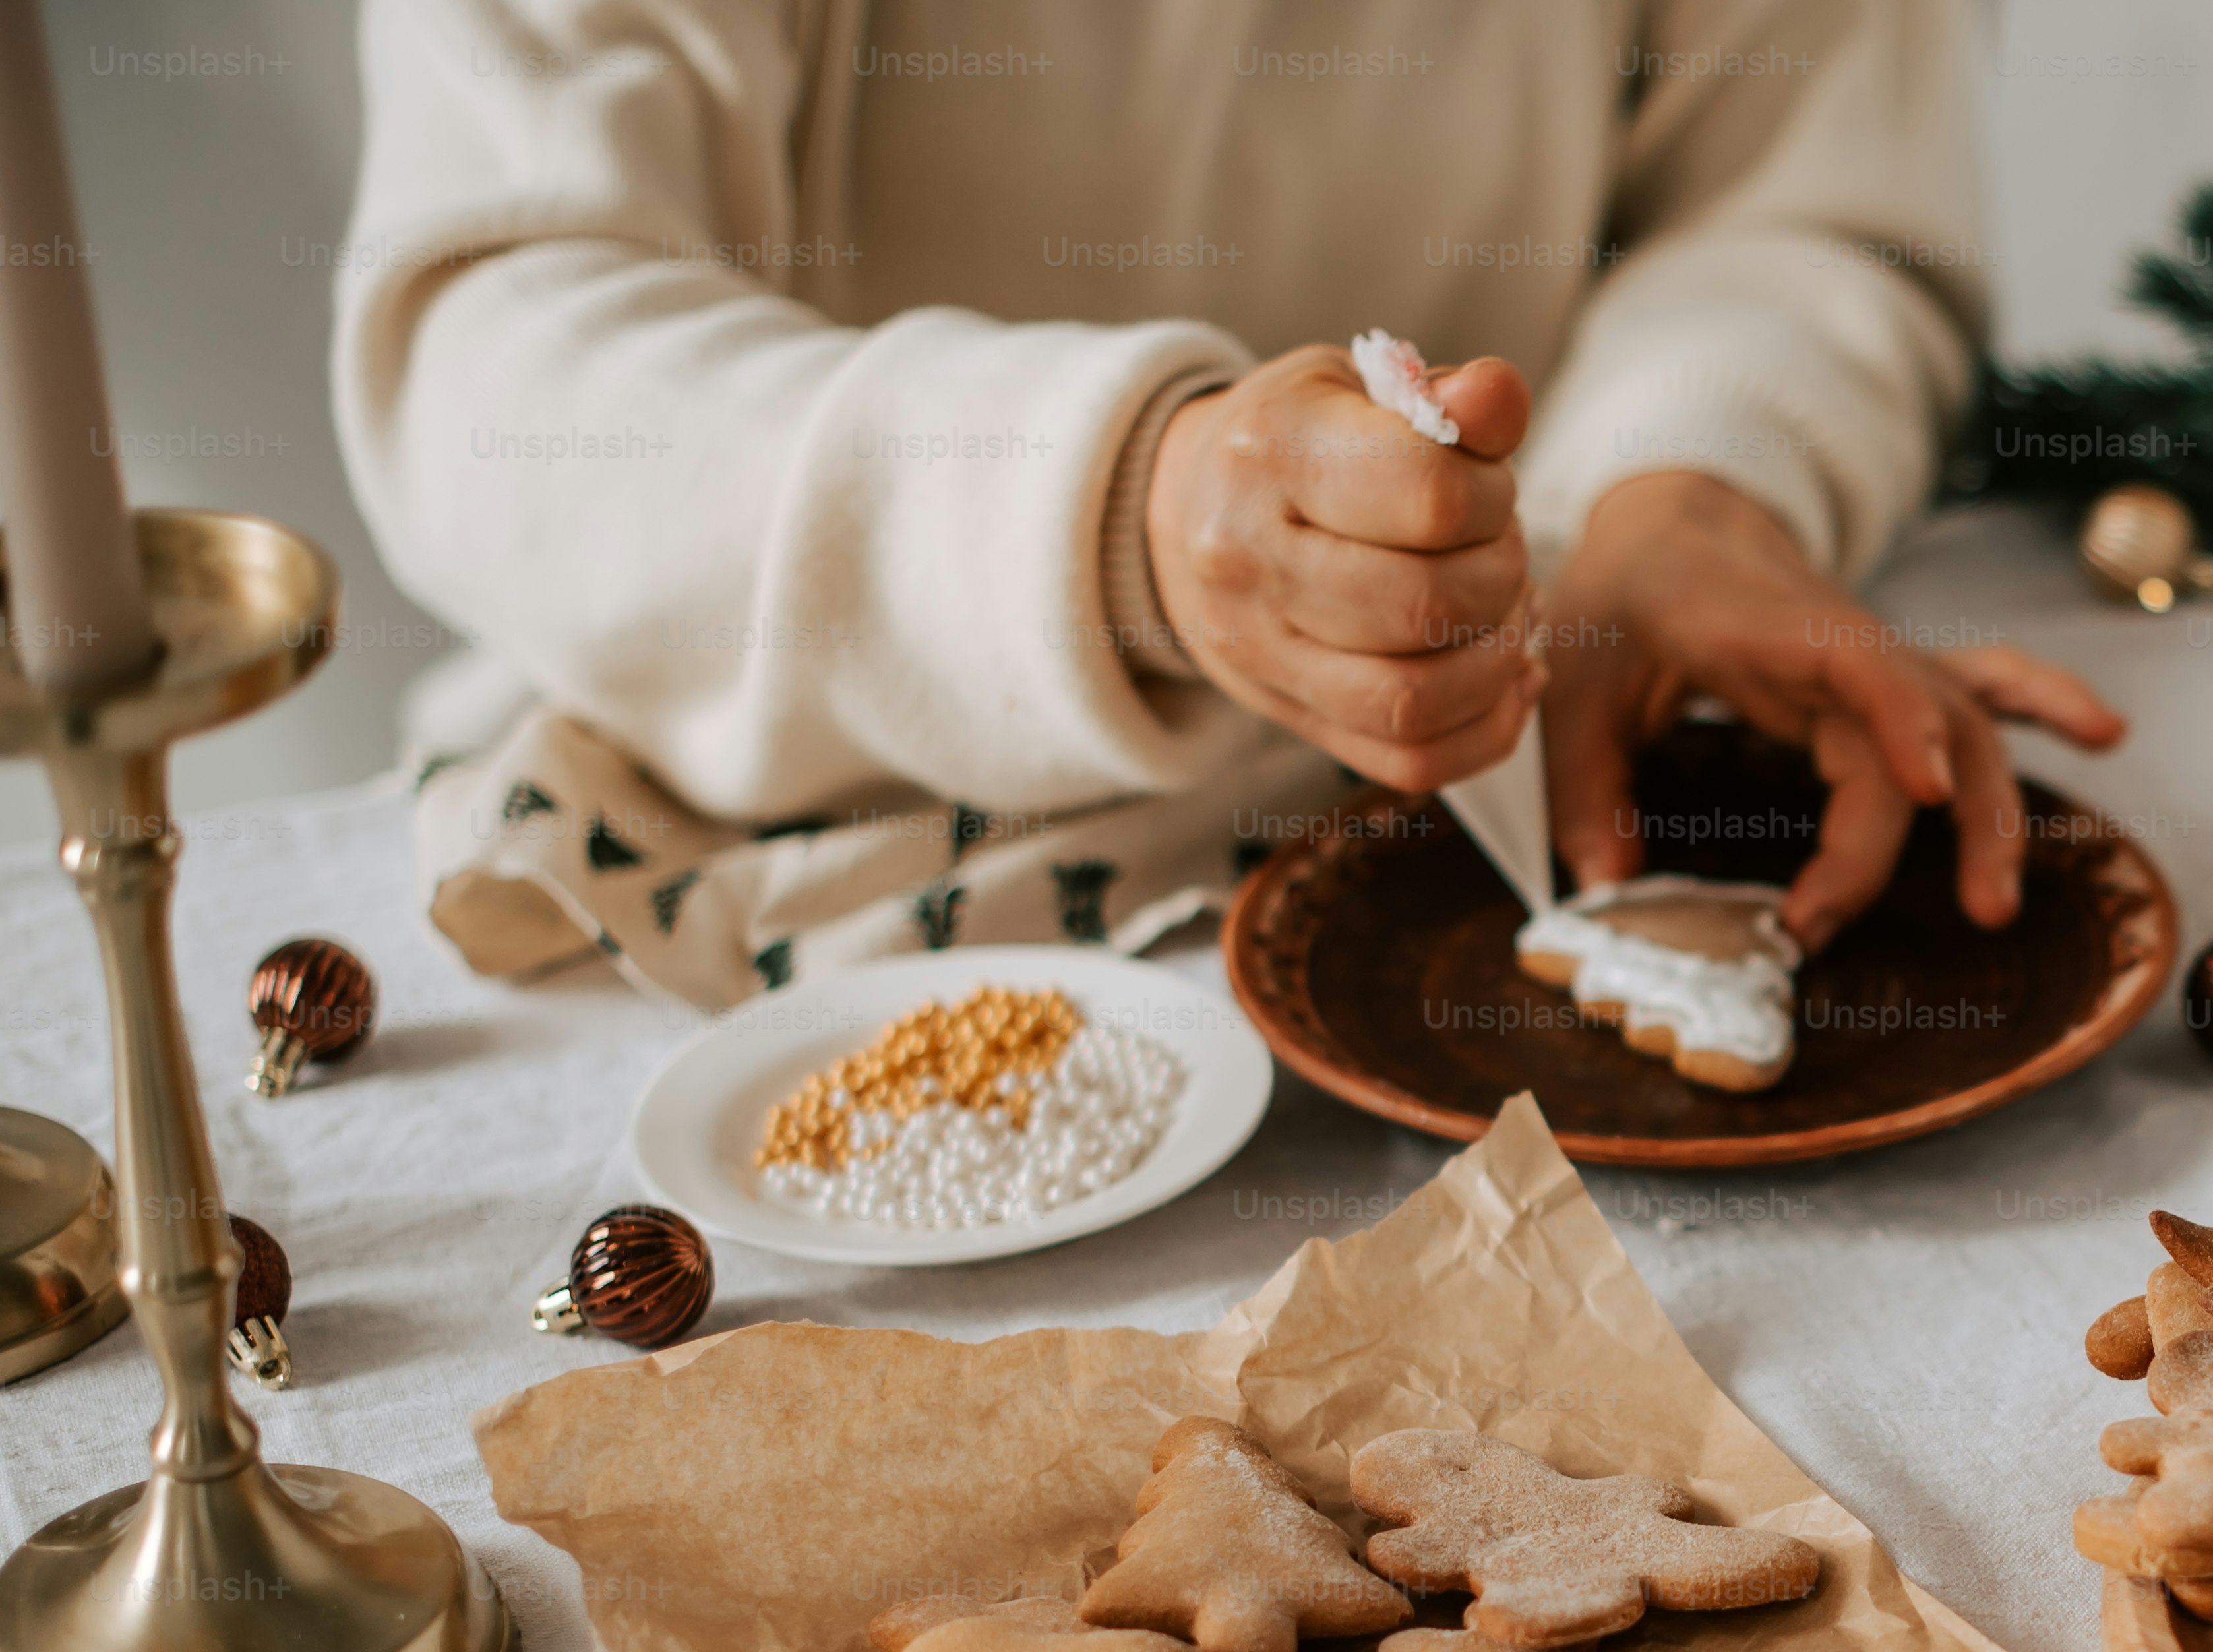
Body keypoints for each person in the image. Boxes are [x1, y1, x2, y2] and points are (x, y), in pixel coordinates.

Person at [332, 1, 2122, 1004]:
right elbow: (506, 352)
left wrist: (1689, 477)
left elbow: (1801, 203)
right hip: (773, 893)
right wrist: (1106, 513)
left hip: (1503, 822)